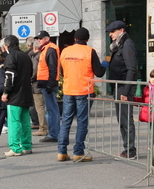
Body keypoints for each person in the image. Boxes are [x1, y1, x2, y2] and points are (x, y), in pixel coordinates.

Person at [57, 27, 107, 162]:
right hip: (84, 90)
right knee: (82, 121)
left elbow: (61, 71)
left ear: (74, 39)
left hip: (68, 90)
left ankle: (62, 152)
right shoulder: (90, 51)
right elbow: (99, 72)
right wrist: (105, 63)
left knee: (66, 120)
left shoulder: (65, 51)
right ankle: (78, 152)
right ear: (87, 39)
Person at [106, 20, 138, 160]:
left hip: (124, 87)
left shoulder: (127, 44)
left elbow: (131, 69)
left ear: (121, 30)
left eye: (113, 32)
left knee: (126, 119)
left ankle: (130, 149)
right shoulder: (118, 46)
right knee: (122, 119)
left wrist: (125, 91)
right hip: (118, 87)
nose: (111, 35)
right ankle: (127, 147)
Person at [1, 35, 33, 157]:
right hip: (26, 93)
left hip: (15, 95)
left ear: (7, 46)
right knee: (25, 121)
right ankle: (26, 146)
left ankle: (15, 147)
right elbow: (30, 73)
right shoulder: (25, 56)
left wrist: (5, 92)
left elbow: (9, 76)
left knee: (14, 122)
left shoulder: (10, 57)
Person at [35, 30, 61, 142]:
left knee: (51, 109)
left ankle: (54, 134)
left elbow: (52, 67)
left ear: (47, 38)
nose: (38, 40)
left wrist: (50, 84)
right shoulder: (46, 49)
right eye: (38, 39)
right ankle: (53, 133)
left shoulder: (50, 49)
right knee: (50, 109)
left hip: (48, 83)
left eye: (40, 38)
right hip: (46, 83)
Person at [30, 40, 48, 136]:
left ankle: (43, 127)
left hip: (37, 85)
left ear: (34, 48)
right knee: (44, 107)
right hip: (42, 83)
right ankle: (45, 126)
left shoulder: (36, 57)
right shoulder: (41, 55)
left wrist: (30, 79)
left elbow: (34, 71)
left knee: (39, 107)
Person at [26, 36, 39, 130]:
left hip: (34, 82)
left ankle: (35, 122)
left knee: (33, 103)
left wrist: (30, 79)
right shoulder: (36, 54)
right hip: (40, 81)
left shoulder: (30, 55)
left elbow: (33, 69)